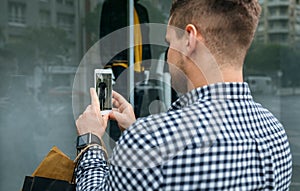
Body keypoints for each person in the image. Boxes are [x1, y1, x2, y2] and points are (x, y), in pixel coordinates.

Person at [75, 0, 292, 190]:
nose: (168, 54)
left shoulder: (149, 141)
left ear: (189, 38)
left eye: (169, 43)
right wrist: (136, 131)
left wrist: (91, 140)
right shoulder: (275, 134)